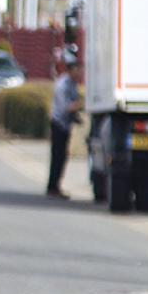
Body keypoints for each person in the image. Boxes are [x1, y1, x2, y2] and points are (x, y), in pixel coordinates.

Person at [47, 55, 85, 199]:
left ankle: (56, 185)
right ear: (71, 69)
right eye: (79, 69)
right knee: (57, 157)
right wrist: (83, 103)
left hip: (65, 124)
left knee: (62, 157)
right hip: (59, 124)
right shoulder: (63, 84)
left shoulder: (72, 83)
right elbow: (65, 107)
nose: (81, 73)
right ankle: (52, 187)